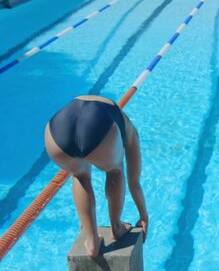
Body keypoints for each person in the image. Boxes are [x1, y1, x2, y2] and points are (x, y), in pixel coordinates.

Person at [44, 95, 149, 258]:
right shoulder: (131, 132)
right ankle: (117, 227)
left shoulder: (103, 110)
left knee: (80, 175)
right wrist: (143, 216)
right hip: (100, 130)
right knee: (115, 171)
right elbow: (134, 183)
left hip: (55, 131)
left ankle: (91, 239)